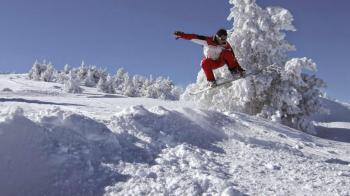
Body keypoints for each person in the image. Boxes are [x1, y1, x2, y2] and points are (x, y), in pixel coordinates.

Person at [174, 29, 245, 87]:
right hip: (211, 63)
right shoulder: (207, 40)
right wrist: (182, 35)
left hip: (220, 61)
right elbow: (194, 37)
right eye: (222, 38)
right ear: (217, 37)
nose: (224, 40)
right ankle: (211, 81)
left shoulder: (226, 45)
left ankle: (235, 72)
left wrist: (240, 69)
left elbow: (233, 58)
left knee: (227, 53)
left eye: (225, 38)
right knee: (204, 62)